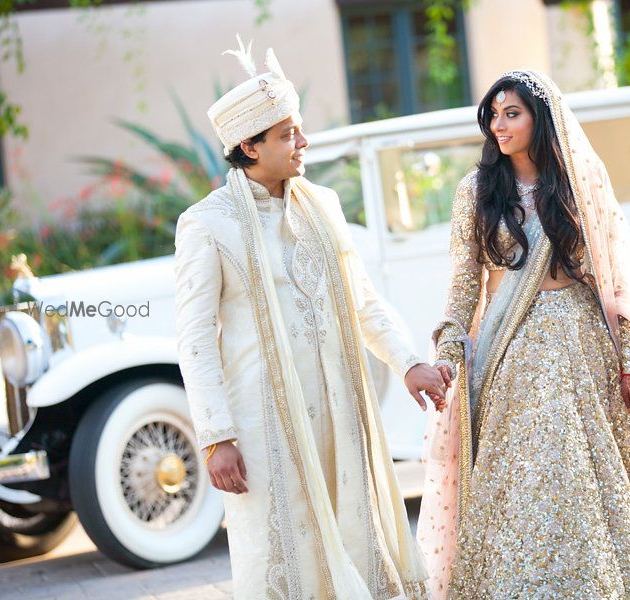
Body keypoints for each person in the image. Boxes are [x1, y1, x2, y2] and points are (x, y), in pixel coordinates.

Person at [173, 36, 444, 599]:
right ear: (249, 146)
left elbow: (362, 299)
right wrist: (216, 436)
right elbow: (195, 338)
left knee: (353, 537)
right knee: (279, 549)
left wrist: (409, 361)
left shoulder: (322, 205)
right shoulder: (207, 224)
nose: (303, 142)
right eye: (287, 134)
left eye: (298, 128)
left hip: (339, 409)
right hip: (262, 420)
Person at [417, 70, 630, 599]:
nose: (499, 126)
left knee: (593, 477)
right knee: (530, 479)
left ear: (540, 118)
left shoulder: (576, 179)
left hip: (586, 344)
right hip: (512, 354)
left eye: (513, 113)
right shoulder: (477, 191)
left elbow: (615, 273)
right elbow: (465, 284)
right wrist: (450, 352)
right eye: (494, 114)